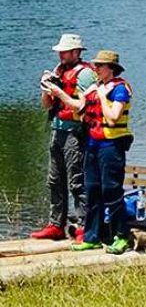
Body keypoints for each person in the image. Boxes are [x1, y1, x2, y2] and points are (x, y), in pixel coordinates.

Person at [32, 34, 97, 242]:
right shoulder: (59, 71)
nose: (61, 54)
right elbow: (48, 105)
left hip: (75, 133)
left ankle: (84, 225)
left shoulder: (85, 74)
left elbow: (82, 105)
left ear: (76, 52)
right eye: (60, 51)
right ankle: (56, 225)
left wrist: (59, 92)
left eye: (65, 51)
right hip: (57, 130)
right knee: (54, 180)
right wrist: (46, 89)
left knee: (76, 181)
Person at [73, 51, 134, 255]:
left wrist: (100, 96)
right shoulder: (96, 87)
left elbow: (114, 116)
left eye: (100, 66)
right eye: (96, 65)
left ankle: (121, 236)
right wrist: (57, 91)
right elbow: (78, 107)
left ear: (111, 68)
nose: (96, 69)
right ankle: (92, 237)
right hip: (92, 145)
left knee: (111, 191)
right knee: (92, 191)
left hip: (111, 146)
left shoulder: (119, 89)